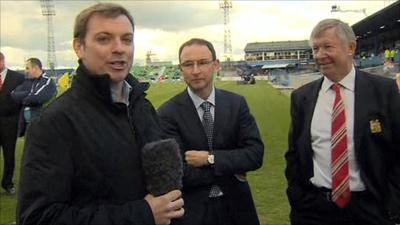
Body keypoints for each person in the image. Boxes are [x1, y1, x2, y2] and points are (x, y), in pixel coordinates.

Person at [17, 3, 184, 225]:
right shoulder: (53, 123)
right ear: (79, 47)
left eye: (127, 39)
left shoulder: (141, 106)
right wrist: (142, 214)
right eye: (104, 39)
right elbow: (37, 218)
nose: (120, 48)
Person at [285, 18, 400, 225]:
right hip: (314, 209)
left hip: (369, 208)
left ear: (351, 47)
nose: (320, 55)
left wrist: (392, 203)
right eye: (315, 48)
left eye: (327, 47)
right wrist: (297, 196)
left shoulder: (384, 91)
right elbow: (294, 153)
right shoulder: (302, 97)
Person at [158, 38, 264, 225]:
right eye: (188, 64)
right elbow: (176, 172)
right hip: (192, 213)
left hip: (238, 209)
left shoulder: (237, 104)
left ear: (216, 65)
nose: (196, 70)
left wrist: (210, 158)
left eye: (203, 62)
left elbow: (255, 155)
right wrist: (232, 169)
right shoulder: (167, 113)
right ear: (181, 69)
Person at [11, 57, 57, 136]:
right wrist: (29, 94)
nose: (26, 71)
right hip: (26, 123)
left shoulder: (47, 81)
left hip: (41, 121)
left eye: (27, 68)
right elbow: (13, 94)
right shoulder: (27, 82)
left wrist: (23, 99)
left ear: (35, 68)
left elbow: (37, 97)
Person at [0, 52, 24, 195]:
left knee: (9, 155)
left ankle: (7, 183)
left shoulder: (18, 78)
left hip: (10, 122)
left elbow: (23, 99)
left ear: (3, 61)